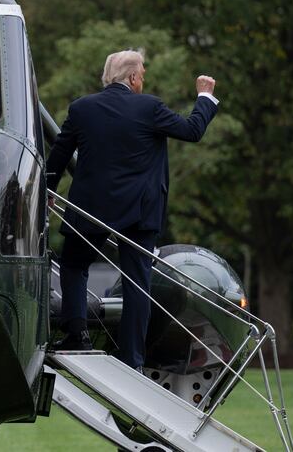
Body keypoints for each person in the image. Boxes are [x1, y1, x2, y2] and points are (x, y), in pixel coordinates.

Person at [45, 49, 219, 370]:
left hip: (90, 210)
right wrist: (205, 96)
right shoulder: (149, 106)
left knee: (73, 265)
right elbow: (192, 131)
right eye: (143, 76)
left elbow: (58, 155)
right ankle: (132, 358)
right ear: (134, 78)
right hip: (139, 212)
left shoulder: (82, 108)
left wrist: (49, 191)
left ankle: (77, 335)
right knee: (137, 282)